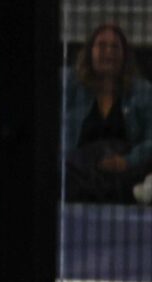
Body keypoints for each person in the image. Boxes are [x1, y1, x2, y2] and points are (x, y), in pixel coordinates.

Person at [64, 23, 152, 203]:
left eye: (115, 47)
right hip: (77, 175)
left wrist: (127, 161)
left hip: (126, 176)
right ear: (90, 52)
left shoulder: (143, 91)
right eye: (102, 45)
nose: (108, 52)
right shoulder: (68, 84)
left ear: (125, 56)